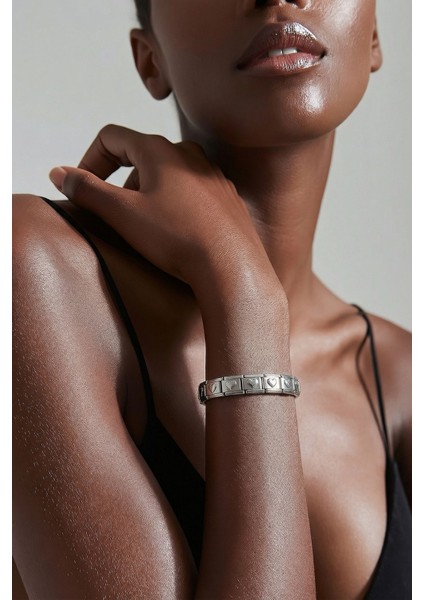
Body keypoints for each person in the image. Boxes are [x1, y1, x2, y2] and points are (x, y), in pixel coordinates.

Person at [12, 0, 411, 598]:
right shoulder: (37, 270)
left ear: (373, 34)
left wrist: (241, 287)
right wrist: (244, 295)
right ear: (151, 61)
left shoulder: (402, 379)